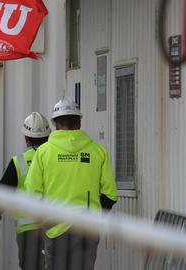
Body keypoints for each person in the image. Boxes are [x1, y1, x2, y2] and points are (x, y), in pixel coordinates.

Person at [25, 99, 117, 270]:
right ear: (79, 122)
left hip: (54, 227)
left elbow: (32, 194)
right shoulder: (97, 151)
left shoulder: (44, 153)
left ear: (55, 124)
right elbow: (110, 195)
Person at [0, 112, 52, 270]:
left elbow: (2, 195)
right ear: (48, 136)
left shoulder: (19, 162)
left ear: (26, 139)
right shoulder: (56, 159)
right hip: (55, 228)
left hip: (28, 231)